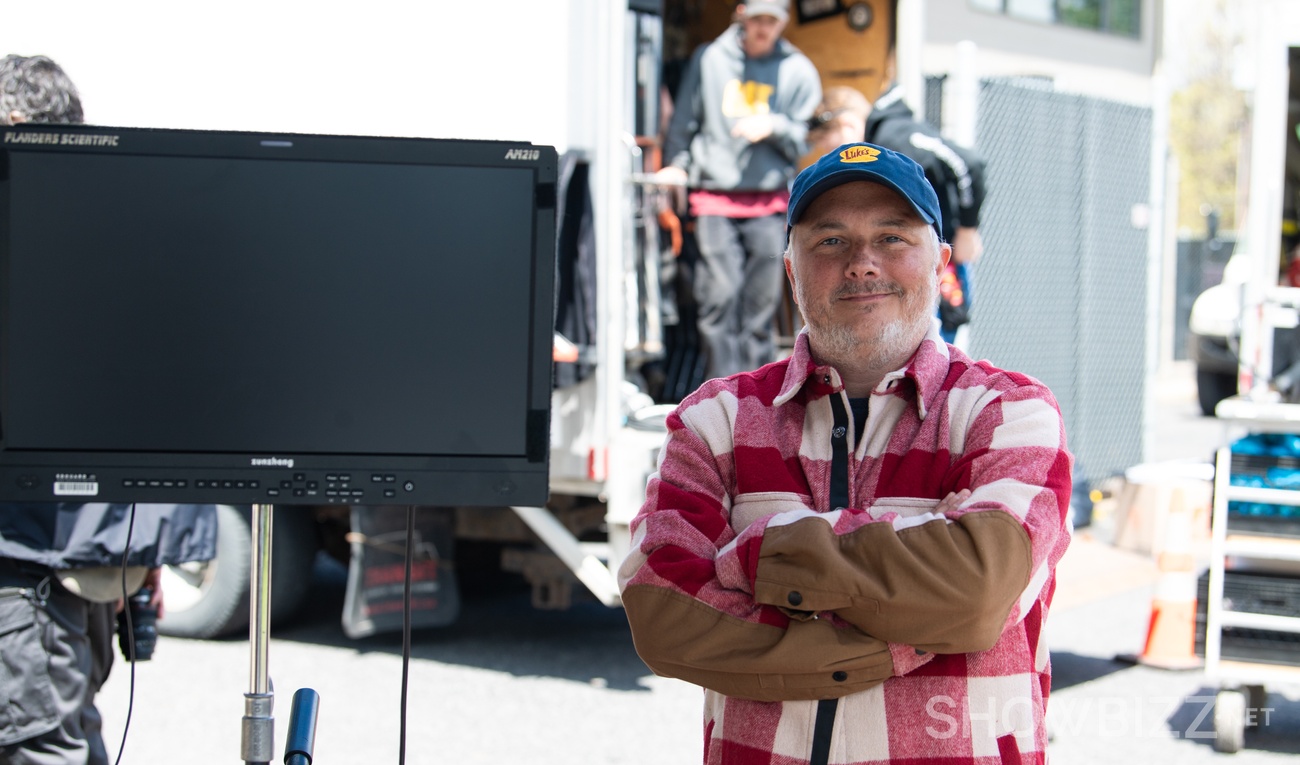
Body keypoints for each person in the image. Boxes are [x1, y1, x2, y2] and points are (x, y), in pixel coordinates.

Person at [619, 143, 1072, 764]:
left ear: (941, 262)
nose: (862, 264)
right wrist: (908, 628)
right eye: (830, 241)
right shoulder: (715, 421)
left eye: (892, 237)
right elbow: (663, 616)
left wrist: (757, 552)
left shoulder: (1008, 414)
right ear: (790, 270)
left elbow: (978, 590)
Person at [0, 53, 219, 765]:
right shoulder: (126, 237)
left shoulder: (38, 249)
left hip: (31, 583)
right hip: (77, 581)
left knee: (45, 750)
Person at [655, 0, 822, 380]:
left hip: (768, 202)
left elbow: (805, 137)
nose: (764, 28)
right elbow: (685, 118)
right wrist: (677, 164)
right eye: (757, 19)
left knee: (759, 310)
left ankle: (759, 403)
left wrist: (774, 125)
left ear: (783, 23)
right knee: (718, 299)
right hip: (715, 197)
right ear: (742, 15)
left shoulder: (797, 70)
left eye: (772, 21)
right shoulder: (711, 58)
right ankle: (721, 397)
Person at [859, 82, 988, 344]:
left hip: (939, 257)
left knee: (936, 345)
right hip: (926, 255)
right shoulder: (887, 137)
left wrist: (967, 229)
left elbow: (968, 164)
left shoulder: (897, 136)